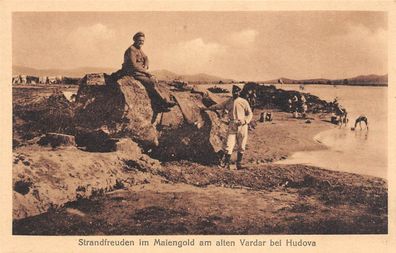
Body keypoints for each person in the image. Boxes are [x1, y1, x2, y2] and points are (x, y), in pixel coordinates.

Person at [121, 32, 176, 110]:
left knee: (154, 81)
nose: (141, 42)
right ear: (135, 40)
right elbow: (134, 66)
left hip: (139, 71)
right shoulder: (132, 50)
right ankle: (162, 103)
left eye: (143, 41)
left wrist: (146, 65)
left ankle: (161, 103)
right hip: (132, 72)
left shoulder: (139, 49)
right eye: (140, 40)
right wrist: (146, 72)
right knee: (150, 81)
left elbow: (146, 57)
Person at [203, 85, 253, 169]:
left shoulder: (243, 101)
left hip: (242, 125)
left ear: (239, 92)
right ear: (232, 92)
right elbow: (219, 106)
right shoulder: (228, 101)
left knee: (242, 145)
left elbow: (250, 113)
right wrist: (208, 108)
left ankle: (239, 164)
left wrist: (245, 121)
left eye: (237, 92)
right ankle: (227, 164)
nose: (235, 93)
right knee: (229, 145)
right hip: (232, 124)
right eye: (234, 92)